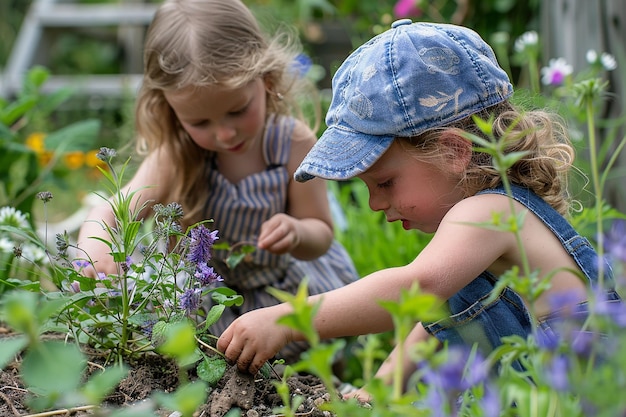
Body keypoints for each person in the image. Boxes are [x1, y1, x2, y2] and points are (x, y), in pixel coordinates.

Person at [216, 19, 622, 396]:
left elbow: (416, 290)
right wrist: (376, 392)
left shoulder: (490, 214)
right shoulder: (485, 229)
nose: (376, 203)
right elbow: (427, 325)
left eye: (385, 182)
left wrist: (286, 320)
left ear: (453, 151)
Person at [76, 0, 359, 363]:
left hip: (281, 292)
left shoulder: (291, 143)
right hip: (202, 300)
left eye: (237, 110)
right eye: (200, 123)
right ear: (170, 108)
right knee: (175, 342)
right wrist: (97, 252)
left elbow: (320, 231)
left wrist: (297, 232)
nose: (225, 133)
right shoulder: (175, 155)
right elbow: (111, 211)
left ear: (267, 80)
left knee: (301, 352)